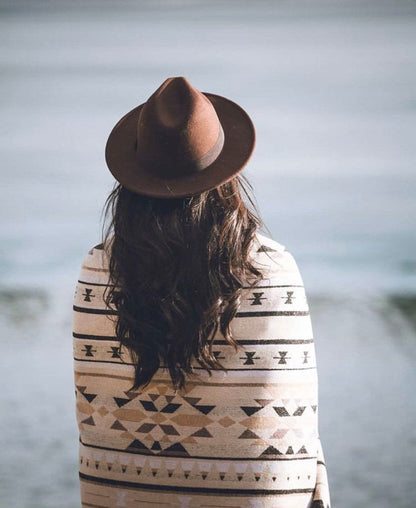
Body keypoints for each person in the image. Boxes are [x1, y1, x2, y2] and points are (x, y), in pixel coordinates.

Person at [73, 77, 331, 507]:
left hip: (120, 489)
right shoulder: (269, 269)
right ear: (227, 176)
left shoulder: (99, 266)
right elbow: (294, 418)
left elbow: (96, 403)